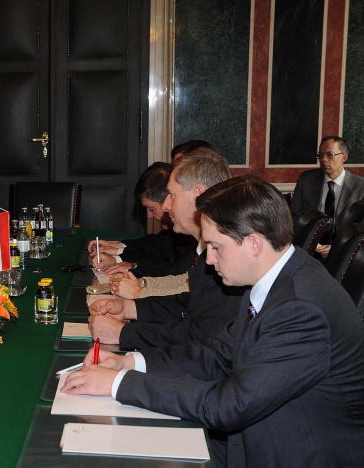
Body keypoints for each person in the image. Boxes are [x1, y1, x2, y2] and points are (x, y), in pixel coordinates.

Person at [62, 175, 364, 467]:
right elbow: (215, 354)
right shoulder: (272, 281)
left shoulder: (300, 308)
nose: (208, 260)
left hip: (288, 453)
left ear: (254, 243)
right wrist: (130, 363)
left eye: (216, 247)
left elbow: (231, 405)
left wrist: (119, 384)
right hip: (255, 439)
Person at [88, 148, 245, 348]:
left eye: (171, 195)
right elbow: (188, 302)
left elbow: (199, 337)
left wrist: (122, 332)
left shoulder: (230, 257)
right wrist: (128, 308)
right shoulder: (210, 248)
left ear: (199, 194)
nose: (167, 205)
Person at [88, 162, 195, 297]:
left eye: (151, 209)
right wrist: (119, 252)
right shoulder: (181, 230)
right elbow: (158, 245)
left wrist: (137, 275)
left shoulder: (193, 232)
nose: (149, 216)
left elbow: (176, 270)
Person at [290, 136, 364, 257]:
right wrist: (314, 243)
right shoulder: (306, 180)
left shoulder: (360, 187)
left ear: (343, 157)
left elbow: (361, 228)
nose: (323, 159)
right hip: (310, 246)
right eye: (320, 155)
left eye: (330, 155)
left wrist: (337, 247)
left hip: (345, 252)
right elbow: (294, 218)